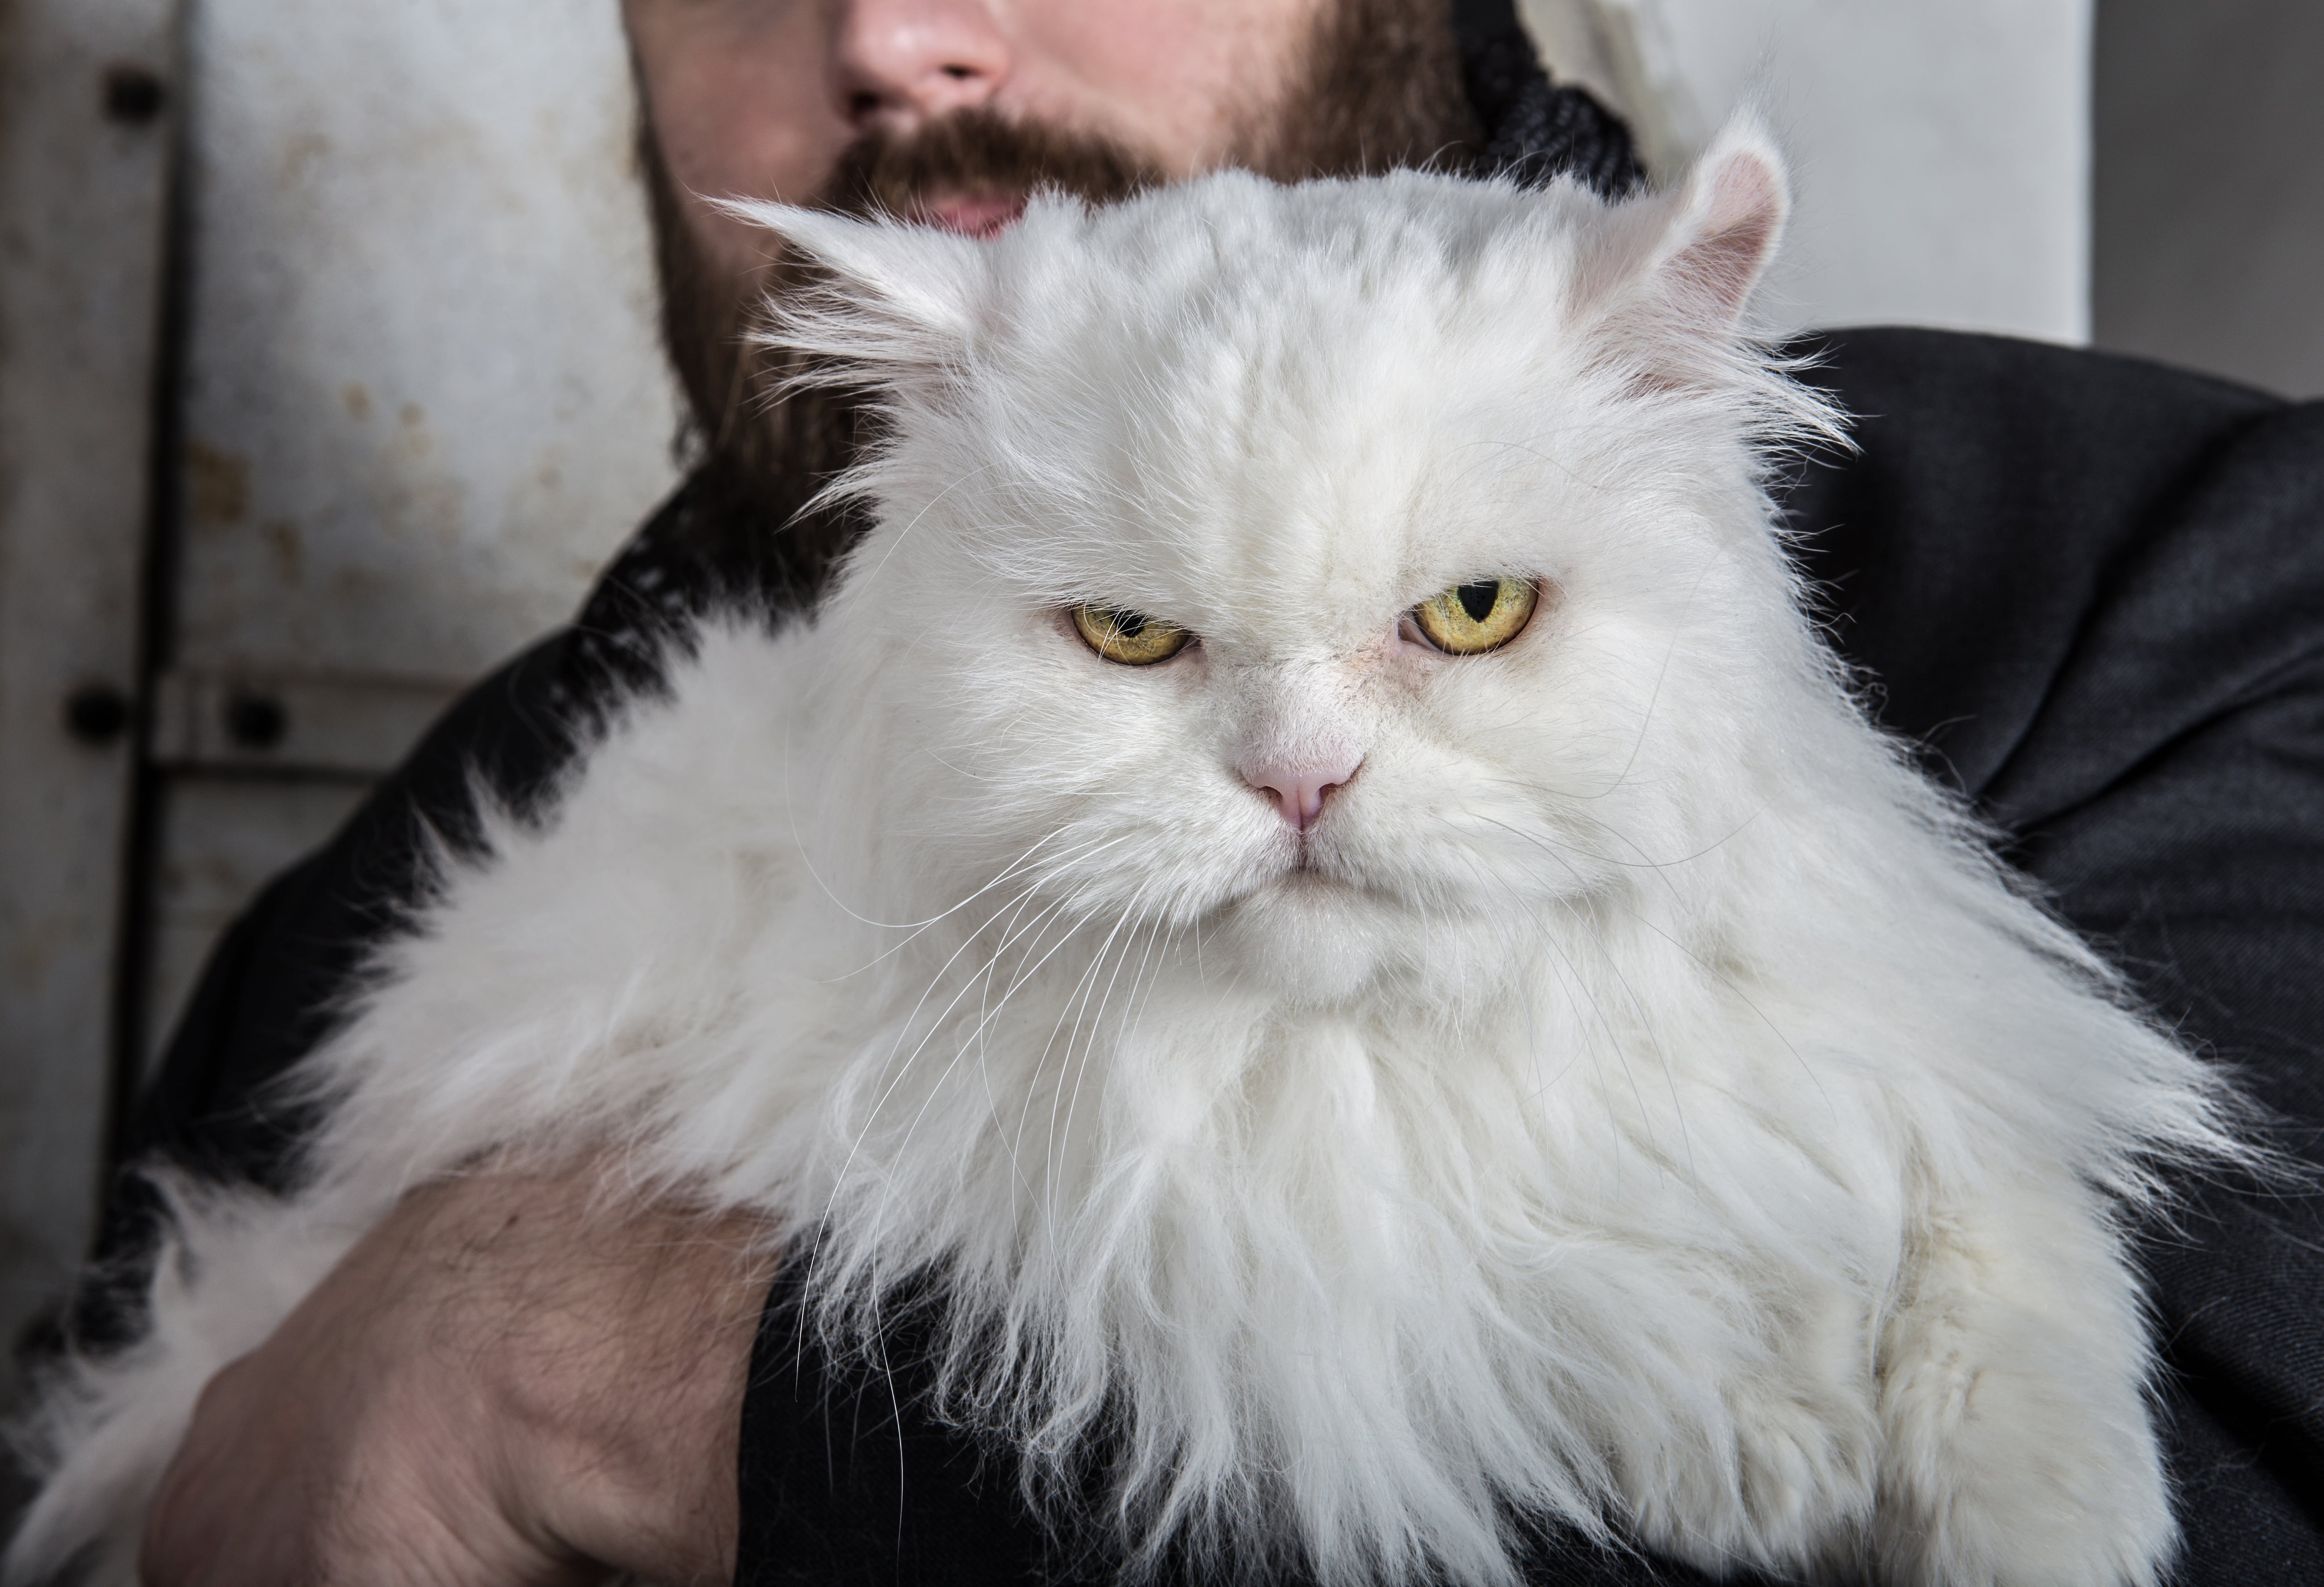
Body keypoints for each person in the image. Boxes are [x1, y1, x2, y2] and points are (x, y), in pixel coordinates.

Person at [57, 1, 2324, 1584]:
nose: (887, 29)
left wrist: (636, 1382)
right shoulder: (360, 906)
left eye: (1467, 615)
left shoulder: (2189, 583)